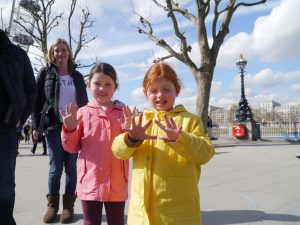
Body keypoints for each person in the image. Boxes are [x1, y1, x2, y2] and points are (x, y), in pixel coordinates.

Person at [112, 63, 215, 225]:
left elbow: (205, 153)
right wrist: (131, 138)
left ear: (177, 91)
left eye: (166, 89)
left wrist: (180, 137)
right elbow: (118, 151)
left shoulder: (190, 121)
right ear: (145, 93)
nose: (160, 95)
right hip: (141, 214)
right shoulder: (139, 121)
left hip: (177, 213)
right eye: (153, 91)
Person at [61, 62, 129, 225]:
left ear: (116, 86)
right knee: (90, 221)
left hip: (117, 180)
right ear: (88, 85)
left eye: (108, 84)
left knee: (117, 221)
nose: (102, 88)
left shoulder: (124, 113)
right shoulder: (82, 112)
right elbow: (71, 147)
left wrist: (133, 134)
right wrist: (69, 130)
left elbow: (129, 147)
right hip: (90, 180)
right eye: (97, 83)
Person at [31, 38, 88, 223]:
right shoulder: (45, 73)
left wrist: (87, 125)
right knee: (56, 169)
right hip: (53, 126)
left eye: (63, 50)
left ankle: (68, 207)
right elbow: (36, 101)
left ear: (69, 53)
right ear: (52, 53)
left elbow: (85, 104)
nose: (60, 53)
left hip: (75, 127)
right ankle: (52, 206)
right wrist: (35, 125)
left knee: (71, 168)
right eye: (57, 50)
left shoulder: (77, 76)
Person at [0, 28, 37, 225]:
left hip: (5, 128)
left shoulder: (17, 54)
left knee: (4, 185)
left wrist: (19, 118)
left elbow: (31, 90)